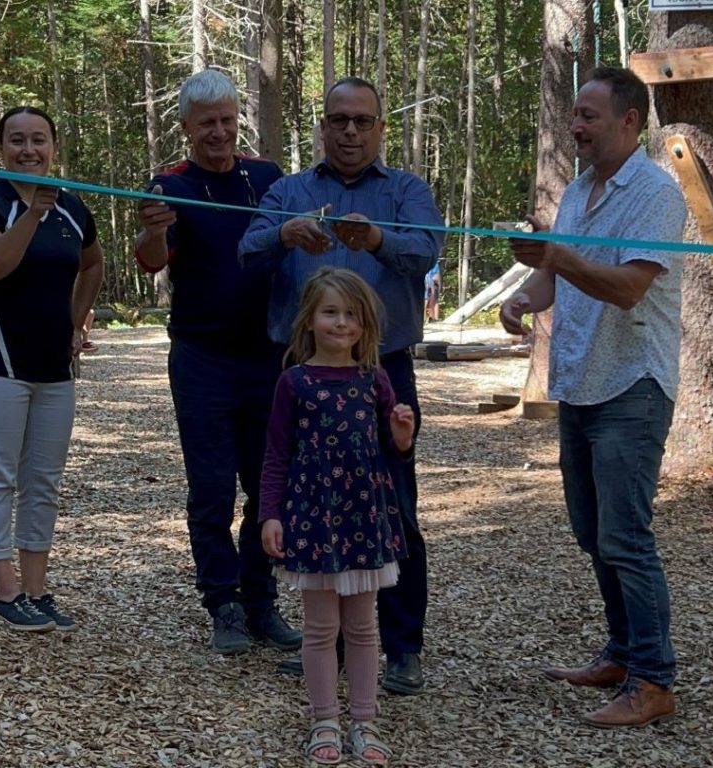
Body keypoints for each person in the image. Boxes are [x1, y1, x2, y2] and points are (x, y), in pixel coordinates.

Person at [239, 77, 443, 695]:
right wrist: (282, 235)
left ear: (380, 127)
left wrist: (378, 239)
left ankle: (401, 647)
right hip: (300, 375)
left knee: (393, 508)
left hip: (382, 371)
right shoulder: (289, 191)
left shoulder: (406, 189)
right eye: (338, 120)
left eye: (362, 121)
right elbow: (247, 252)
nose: (350, 131)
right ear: (322, 127)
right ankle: (322, 644)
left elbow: (430, 247)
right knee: (305, 505)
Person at [500, 66, 688, 728]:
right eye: (573, 116)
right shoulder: (580, 190)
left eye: (588, 115)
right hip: (580, 383)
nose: (574, 126)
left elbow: (628, 286)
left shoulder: (658, 196)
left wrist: (555, 256)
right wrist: (524, 296)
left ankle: (654, 679)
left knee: (625, 536)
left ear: (630, 123)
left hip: (632, 385)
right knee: (592, 532)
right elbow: (562, 277)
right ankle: (622, 652)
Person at [134, 69, 301, 655]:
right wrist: (154, 231)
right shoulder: (169, 184)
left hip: (269, 358)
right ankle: (222, 602)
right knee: (211, 488)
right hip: (202, 357)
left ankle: (261, 603)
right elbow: (151, 261)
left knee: (266, 487)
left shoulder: (268, 177)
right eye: (207, 123)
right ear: (186, 127)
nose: (220, 132)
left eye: (228, 120)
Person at [0, 105, 104, 633]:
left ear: (54, 147)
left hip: (52, 367)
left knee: (44, 481)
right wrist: (33, 212)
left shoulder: (73, 208)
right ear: (0, 149)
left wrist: (75, 322)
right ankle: (4, 591)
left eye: (39, 140)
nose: (29, 150)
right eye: (17, 140)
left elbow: (93, 263)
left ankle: (36, 590)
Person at [261, 267, 414, 765]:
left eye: (351, 315)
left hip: (364, 517)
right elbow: (277, 454)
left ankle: (364, 723)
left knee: (364, 627)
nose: (341, 323)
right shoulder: (294, 382)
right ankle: (324, 719)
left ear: (366, 325)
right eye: (331, 312)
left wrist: (402, 435)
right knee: (321, 628)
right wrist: (270, 515)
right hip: (312, 517)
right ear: (309, 320)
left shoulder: (375, 380)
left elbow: (394, 455)